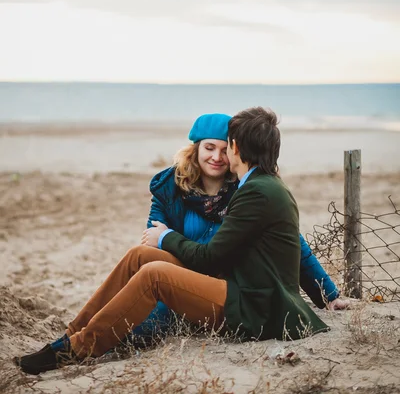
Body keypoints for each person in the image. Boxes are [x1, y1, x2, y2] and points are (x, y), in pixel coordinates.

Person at [15, 107, 331, 375]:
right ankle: (70, 337)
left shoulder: (252, 192)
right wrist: (161, 242)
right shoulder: (232, 186)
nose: (219, 156)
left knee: (154, 279)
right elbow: (159, 246)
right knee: (140, 256)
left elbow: (219, 256)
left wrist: (327, 293)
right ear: (195, 148)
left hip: (246, 300)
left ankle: (77, 348)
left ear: (236, 148)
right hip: (229, 285)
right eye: (210, 148)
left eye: (225, 147)